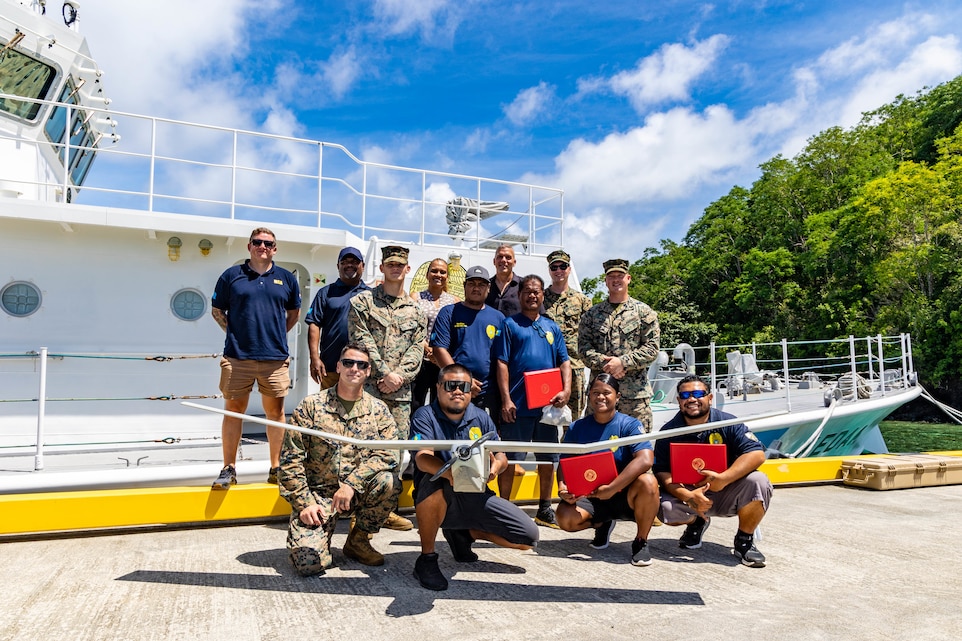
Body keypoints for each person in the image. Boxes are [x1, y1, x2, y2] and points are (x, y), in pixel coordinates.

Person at [410, 364, 539, 591]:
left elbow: (501, 455)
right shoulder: (425, 415)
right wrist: (453, 475)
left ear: (471, 391)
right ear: (439, 387)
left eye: (464, 386)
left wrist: (496, 467)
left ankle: (463, 533)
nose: (457, 391)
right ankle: (427, 559)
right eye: (451, 385)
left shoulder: (480, 417)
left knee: (527, 538)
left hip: (476, 493)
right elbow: (422, 458)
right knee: (433, 489)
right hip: (441, 490)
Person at [278, 343, 401, 576]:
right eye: (348, 363)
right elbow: (290, 460)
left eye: (361, 365)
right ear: (338, 366)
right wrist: (304, 503)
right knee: (309, 564)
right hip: (319, 497)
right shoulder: (311, 406)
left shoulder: (379, 410)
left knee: (389, 481)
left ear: (368, 371)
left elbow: (389, 454)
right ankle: (318, 540)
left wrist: (352, 484)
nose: (354, 368)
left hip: (358, 492)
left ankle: (359, 540)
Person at [210, 227, 301, 489]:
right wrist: (236, 333)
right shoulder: (232, 276)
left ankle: (276, 468)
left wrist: (276, 335)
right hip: (237, 357)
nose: (263, 246)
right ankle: (229, 468)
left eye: (268, 243)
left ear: (275, 248)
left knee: (275, 413)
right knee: (234, 412)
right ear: (249, 246)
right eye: (258, 242)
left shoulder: (286, 278)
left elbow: (293, 312)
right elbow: (217, 310)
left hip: (274, 359)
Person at [652, 375, 772, 568]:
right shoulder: (668, 432)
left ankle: (744, 540)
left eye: (698, 393)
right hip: (689, 495)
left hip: (726, 492)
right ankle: (695, 523)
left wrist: (724, 478)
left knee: (758, 481)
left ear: (709, 398)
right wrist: (688, 495)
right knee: (665, 509)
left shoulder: (728, 423)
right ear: (678, 401)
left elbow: (757, 454)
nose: (691, 399)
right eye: (685, 395)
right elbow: (662, 472)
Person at [348, 244, 428, 531]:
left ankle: (387, 510)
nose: (395, 268)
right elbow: (361, 341)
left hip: (400, 395)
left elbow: (417, 350)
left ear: (407, 269)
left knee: (395, 454)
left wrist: (398, 378)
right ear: (381, 268)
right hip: (368, 390)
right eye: (390, 264)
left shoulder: (417, 312)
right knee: (364, 451)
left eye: (400, 264)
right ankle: (359, 512)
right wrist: (384, 373)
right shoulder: (362, 303)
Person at [555, 374, 660, 566]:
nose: (600, 397)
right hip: (591, 496)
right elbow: (564, 461)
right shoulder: (577, 427)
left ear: (617, 396)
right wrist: (562, 489)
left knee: (649, 482)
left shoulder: (629, 424)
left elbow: (646, 459)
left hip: (624, 494)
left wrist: (612, 488)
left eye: (606, 393)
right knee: (565, 518)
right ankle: (602, 523)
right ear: (589, 396)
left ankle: (641, 541)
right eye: (595, 393)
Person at [494, 274, 571, 527]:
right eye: (527, 291)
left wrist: (566, 390)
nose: (532, 295)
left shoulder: (552, 327)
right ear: (519, 295)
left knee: (547, 459)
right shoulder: (509, 325)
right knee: (509, 459)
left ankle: (545, 507)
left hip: (548, 408)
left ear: (542, 295)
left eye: (537, 291)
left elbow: (564, 362)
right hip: (517, 405)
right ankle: (504, 508)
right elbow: (502, 363)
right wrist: (506, 399)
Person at [578, 258, 660, 432]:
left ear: (628, 278)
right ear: (606, 281)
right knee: (597, 446)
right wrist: (608, 365)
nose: (616, 280)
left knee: (637, 447)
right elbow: (583, 350)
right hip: (600, 395)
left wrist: (623, 362)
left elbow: (652, 349)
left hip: (635, 397)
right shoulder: (592, 315)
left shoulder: (644, 312)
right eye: (611, 276)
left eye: (620, 275)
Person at [430, 265, 505, 412]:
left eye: (481, 284)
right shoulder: (449, 312)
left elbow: (502, 357)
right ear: (464, 286)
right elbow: (439, 349)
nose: (476, 288)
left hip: (488, 392)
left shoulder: (498, 318)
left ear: (488, 288)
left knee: (485, 434)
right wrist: (463, 380)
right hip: (454, 390)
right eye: (472, 284)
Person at [305, 246, 371, 390]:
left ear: (363, 266)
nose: (349, 265)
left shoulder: (371, 295)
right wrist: (314, 358)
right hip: (331, 366)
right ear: (338, 266)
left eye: (354, 261)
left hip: (362, 368)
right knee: (329, 410)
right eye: (344, 261)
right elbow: (314, 325)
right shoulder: (325, 293)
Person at [543, 249, 593, 424]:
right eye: (554, 267)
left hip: (575, 366)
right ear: (549, 270)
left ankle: (571, 452)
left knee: (574, 418)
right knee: (546, 417)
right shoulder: (541, 299)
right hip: (549, 367)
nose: (558, 271)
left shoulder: (582, 301)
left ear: (569, 268)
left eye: (562, 266)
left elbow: (590, 334)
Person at [410, 258, 459, 413]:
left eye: (442, 272)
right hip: (420, 360)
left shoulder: (454, 301)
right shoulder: (415, 298)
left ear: (447, 276)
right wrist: (426, 347)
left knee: (440, 404)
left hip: (442, 363)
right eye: (434, 271)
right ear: (427, 274)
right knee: (416, 402)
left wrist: (439, 352)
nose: (438, 274)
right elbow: (410, 327)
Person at [485, 244, 523, 317]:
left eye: (508, 257)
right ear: (494, 261)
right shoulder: (485, 286)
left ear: (514, 262)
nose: (503, 260)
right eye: (500, 257)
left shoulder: (524, 286)